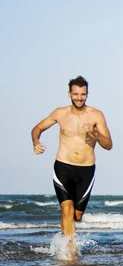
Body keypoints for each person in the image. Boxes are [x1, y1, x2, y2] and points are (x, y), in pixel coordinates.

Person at [31, 76, 113, 256]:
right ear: (69, 94)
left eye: (83, 94)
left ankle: (64, 237)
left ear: (87, 94)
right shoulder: (60, 113)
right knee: (66, 209)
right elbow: (37, 128)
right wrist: (36, 141)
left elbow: (108, 144)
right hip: (63, 166)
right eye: (75, 94)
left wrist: (95, 135)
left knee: (76, 215)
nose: (79, 98)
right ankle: (69, 253)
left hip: (86, 169)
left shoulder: (96, 115)